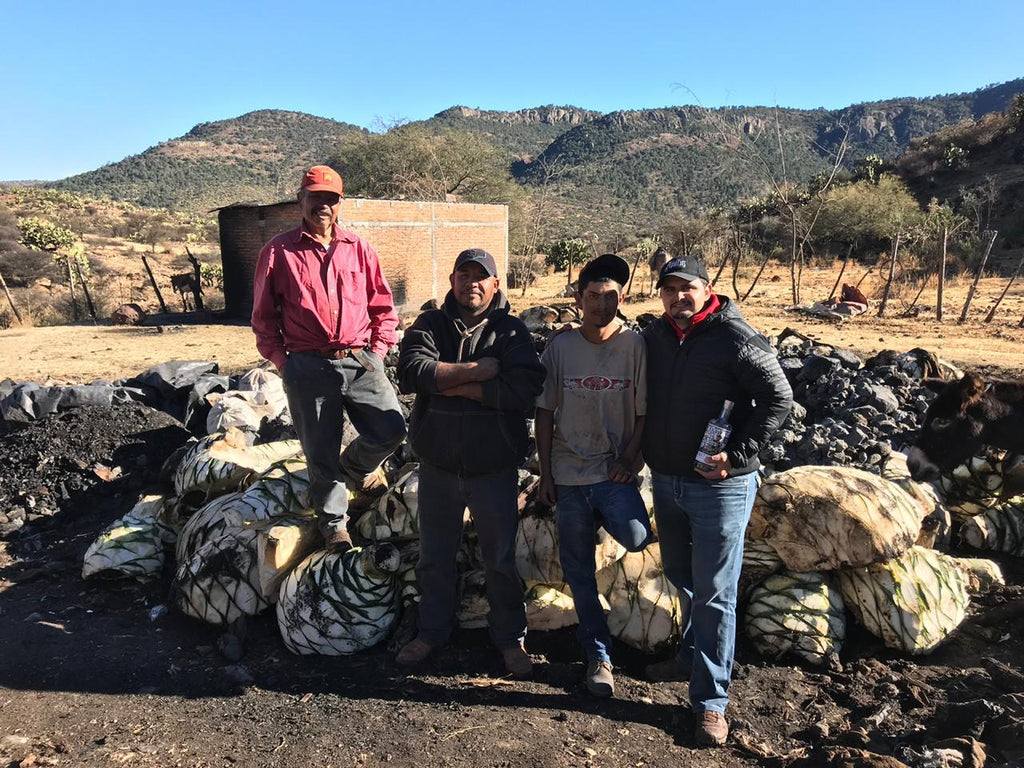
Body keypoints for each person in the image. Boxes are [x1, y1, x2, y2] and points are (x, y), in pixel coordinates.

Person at [641, 256, 792, 747]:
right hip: (667, 479)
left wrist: (740, 454)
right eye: (669, 288)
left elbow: (779, 397)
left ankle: (710, 702)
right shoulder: (657, 336)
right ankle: (689, 654)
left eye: (688, 288)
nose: (678, 296)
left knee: (715, 593)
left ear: (708, 289)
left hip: (720, 487)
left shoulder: (736, 337)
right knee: (682, 578)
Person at [395, 248, 546, 678]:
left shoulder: (512, 333)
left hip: (493, 470)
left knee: (499, 560)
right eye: (464, 275)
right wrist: (479, 371)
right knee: (434, 557)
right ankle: (432, 631)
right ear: (453, 280)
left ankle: (509, 639)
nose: (472, 283)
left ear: (496, 285)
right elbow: (412, 374)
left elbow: (524, 388)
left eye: (482, 277)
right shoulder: (429, 325)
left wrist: (451, 383)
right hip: (438, 467)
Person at [252, 165, 407, 553]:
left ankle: (353, 470)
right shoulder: (278, 252)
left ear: (340, 204)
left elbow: (383, 306)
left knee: (392, 429)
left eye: (330, 199)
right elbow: (263, 318)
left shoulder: (358, 248)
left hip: (361, 361)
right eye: (315, 197)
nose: (323, 205)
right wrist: (284, 364)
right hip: (307, 366)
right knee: (320, 451)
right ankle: (334, 525)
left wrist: (378, 351)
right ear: (301, 201)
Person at [535, 253, 653, 698]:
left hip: (612, 473)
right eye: (593, 296)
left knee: (639, 537)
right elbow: (544, 411)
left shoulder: (634, 346)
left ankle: (606, 522)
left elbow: (644, 413)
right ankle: (599, 656)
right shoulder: (561, 348)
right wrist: (545, 472)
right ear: (579, 298)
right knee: (578, 570)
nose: (602, 305)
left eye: (611, 297)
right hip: (568, 473)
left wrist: (631, 459)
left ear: (621, 298)